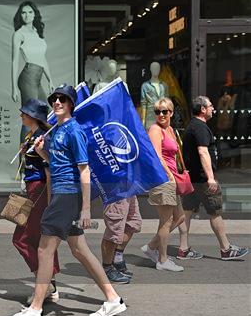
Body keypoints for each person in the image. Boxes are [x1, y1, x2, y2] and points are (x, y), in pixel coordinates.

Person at [5, 85, 126, 316]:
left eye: (63, 99)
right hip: (62, 194)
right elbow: (60, 164)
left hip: (66, 195)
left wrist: (86, 209)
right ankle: (113, 299)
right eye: (55, 99)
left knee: (44, 250)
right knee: (80, 249)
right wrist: (43, 154)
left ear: (71, 103)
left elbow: (84, 169)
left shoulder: (74, 130)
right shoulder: (59, 129)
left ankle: (36, 309)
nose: (58, 102)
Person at [178, 96, 248, 260]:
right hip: (202, 180)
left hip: (192, 178)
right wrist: (210, 178)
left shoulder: (192, 127)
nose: (212, 109)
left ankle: (183, 249)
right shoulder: (200, 128)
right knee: (215, 212)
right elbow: (203, 152)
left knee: (186, 212)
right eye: (210, 106)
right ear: (202, 109)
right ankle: (226, 249)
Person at [13, 98, 60, 304]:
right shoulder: (32, 134)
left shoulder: (43, 137)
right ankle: (50, 283)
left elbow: (50, 169)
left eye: (24, 113)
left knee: (22, 238)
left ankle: (45, 282)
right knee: (41, 238)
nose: (21, 115)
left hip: (39, 188)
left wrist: (51, 201)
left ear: (33, 116)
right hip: (33, 188)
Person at [141, 98, 185, 272]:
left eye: (164, 111)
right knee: (166, 221)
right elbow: (157, 157)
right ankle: (162, 260)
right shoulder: (155, 129)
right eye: (157, 111)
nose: (160, 115)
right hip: (162, 179)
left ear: (171, 113)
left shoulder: (170, 130)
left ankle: (151, 247)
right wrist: (170, 176)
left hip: (171, 178)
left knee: (180, 217)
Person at [11, 1, 54, 143]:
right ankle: (23, 161)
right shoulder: (19, 34)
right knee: (29, 116)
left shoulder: (36, 33)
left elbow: (43, 59)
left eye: (29, 12)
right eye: (23, 12)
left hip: (38, 77)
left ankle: (38, 153)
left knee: (43, 113)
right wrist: (14, 88)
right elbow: (14, 61)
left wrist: (50, 79)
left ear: (34, 14)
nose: (27, 15)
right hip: (27, 76)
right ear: (20, 15)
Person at [101, 196, 142, 283]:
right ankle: (107, 268)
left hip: (130, 189)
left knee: (133, 223)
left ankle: (117, 258)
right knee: (114, 230)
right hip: (116, 190)